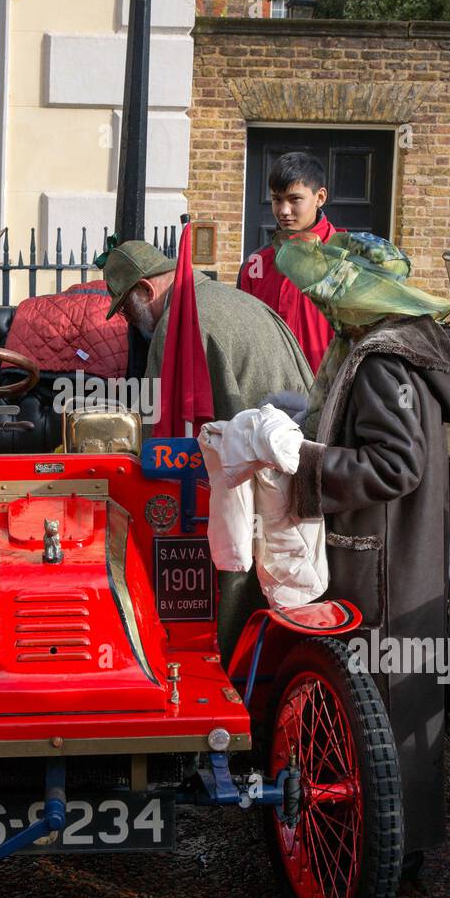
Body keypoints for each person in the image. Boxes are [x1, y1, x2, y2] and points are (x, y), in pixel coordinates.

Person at [275, 230, 450, 857]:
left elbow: (394, 466)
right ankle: (398, 847)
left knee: (377, 712)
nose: (324, 306)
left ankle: (378, 855)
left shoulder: (382, 361)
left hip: (379, 563)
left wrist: (304, 465)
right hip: (398, 557)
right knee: (396, 707)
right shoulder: (398, 350)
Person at [103, 238, 313, 663]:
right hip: (296, 460)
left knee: (223, 564)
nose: (129, 320)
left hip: (252, 480)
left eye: (126, 308)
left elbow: (158, 444)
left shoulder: (178, 325)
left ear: (146, 290)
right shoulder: (235, 300)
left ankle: (220, 667)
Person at [238, 151, 341, 373]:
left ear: (320, 197)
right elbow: (243, 335)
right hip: (268, 395)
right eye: (277, 199)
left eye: (295, 199)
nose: (284, 211)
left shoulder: (347, 260)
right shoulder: (254, 266)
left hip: (331, 393)